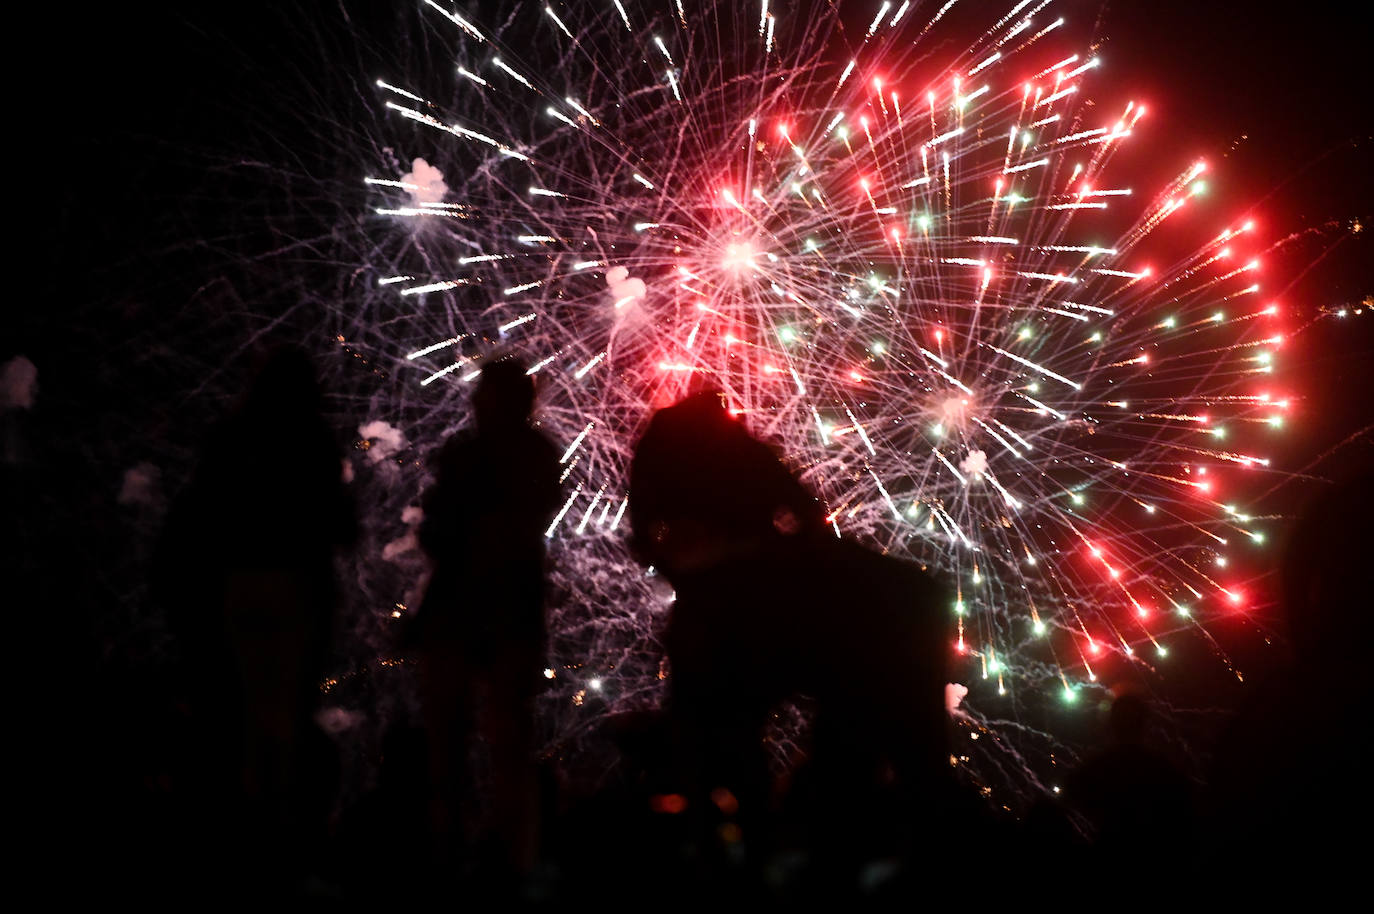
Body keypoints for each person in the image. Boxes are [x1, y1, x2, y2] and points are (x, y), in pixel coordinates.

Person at [628, 389, 950, 881]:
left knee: (710, 735)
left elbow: (644, 539)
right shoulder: (740, 450)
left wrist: (694, 564)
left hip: (739, 611)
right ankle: (876, 849)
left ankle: (738, 853)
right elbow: (805, 515)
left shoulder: (662, 457)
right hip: (812, 609)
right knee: (869, 735)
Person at [155, 345, 354, 876]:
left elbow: (199, 513)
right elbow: (343, 525)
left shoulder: (230, 439)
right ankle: (282, 832)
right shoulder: (314, 441)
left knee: (245, 705)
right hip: (297, 586)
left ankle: (247, 832)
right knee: (287, 710)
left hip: (240, 584)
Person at [410, 357, 560, 876]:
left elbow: (439, 535)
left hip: (461, 609)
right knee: (509, 742)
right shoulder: (541, 455)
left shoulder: (466, 455)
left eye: (482, 394)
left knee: (447, 741)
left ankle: (447, 856)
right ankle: (512, 861)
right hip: (512, 607)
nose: (473, 402)